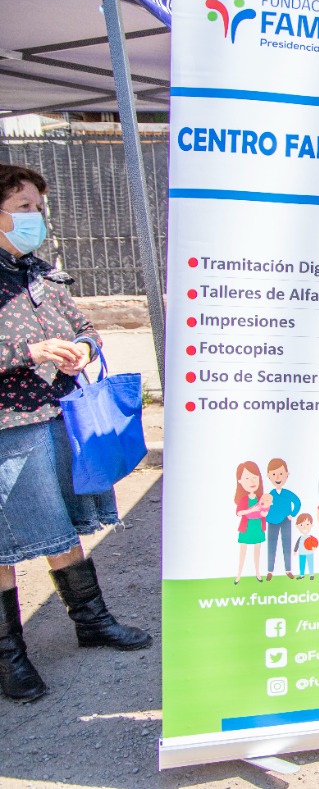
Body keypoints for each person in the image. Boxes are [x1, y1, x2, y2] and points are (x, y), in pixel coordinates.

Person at [0, 163, 150, 704]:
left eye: (39, 207)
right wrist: (29, 351)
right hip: (8, 427)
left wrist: (82, 349)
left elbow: (85, 328)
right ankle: (9, 657)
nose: (36, 217)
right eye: (24, 207)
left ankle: (93, 621)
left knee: (63, 525)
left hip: (58, 415)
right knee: (6, 541)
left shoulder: (41, 273)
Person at [233, 460, 271, 585]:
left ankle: (257, 573)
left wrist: (265, 510)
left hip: (258, 527)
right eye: (247, 478)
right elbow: (239, 513)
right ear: (240, 481)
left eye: (255, 477)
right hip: (246, 528)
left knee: (257, 552)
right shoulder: (244, 499)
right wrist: (251, 510)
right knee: (242, 552)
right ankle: (238, 575)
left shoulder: (261, 498)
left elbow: (264, 513)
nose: (252, 481)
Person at [264, 457, 302, 580]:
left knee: (287, 544)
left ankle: (288, 569)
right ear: (269, 476)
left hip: (286, 521)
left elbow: (297, 502)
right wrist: (265, 516)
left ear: (287, 475)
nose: (277, 477)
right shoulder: (270, 494)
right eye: (274, 474)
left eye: (281, 474)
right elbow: (264, 506)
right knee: (271, 545)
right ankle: (270, 571)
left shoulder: (287, 493)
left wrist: (292, 514)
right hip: (272, 521)